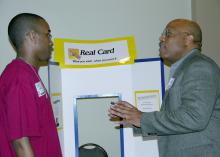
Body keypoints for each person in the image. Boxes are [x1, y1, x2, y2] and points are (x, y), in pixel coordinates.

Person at [109, 19, 220, 157]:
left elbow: (194, 117)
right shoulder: (184, 69)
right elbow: (179, 121)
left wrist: (143, 118)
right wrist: (134, 119)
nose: (161, 38)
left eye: (168, 33)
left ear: (188, 39)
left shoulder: (199, 67)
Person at [0, 13, 62, 157]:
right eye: (48, 35)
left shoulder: (28, 74)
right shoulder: (18, 78)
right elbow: (20, 143)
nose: (51, 42)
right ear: (32, 36)